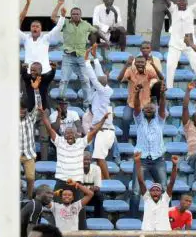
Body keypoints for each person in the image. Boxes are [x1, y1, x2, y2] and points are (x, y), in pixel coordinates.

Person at [39, 106, 109, 190]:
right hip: (61, 180)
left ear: (75, 135)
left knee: (81, 199)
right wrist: (43, 116)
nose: (69, 135)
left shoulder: (81, 142)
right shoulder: (59, 141)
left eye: (71, 133)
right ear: (64, 135)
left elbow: (94, 131)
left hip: (77, 181)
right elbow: (49, 129)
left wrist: (103, 119)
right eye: (67, 133)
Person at [130, 78, 169, 218]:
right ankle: (133, 219)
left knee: (164, 189)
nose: (148, 109)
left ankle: (164, 217)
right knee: (135, 191)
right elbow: (136, 106)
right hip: (141, 160)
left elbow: (162, 107)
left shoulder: (160, 120)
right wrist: (136, 93)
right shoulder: (139, 120)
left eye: (151, 108)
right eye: (146, 107)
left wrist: (162, 94)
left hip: (158, 160)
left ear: (155, 109)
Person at [84, 48, 115, 180]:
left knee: (99, 158)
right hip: (99, 130)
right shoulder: (100, 91)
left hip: (105, 130)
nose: (103, 76)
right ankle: (102, 180)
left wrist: (87, 61)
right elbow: (99, 76)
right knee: (97, 158)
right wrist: (95, 59)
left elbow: (94, 78)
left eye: (105, 77)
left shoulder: (105, 91)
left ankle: (108, 182)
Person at [116, 54, 161, 142]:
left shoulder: (149, 71)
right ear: (135, 63)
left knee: (147, 122)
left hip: (145, 104)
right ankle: (124, 141)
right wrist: (126, 64)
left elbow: (160, 77)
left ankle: (147, 141)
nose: (140, 64)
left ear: (145, 63)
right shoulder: (130, 71)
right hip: (131, 103)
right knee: (125, 119)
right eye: (138, 62)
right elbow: (119, 79)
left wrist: (153, 65)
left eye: (142, 62)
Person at [135, 152, 180, 237]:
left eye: (157, 190)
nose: (155, 192)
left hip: (163, 236)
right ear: (149, 193)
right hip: (147, 235)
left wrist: (174, 165)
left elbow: (171, 182)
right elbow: (140, 181)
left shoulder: (165, 199)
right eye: (153, 190)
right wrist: (137, 162)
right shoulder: (147, 198)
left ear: (161, 192)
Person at [58, 7, 95, 108]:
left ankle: (87, 105)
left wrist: (106, 40)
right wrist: (59, 7)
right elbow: (53, 18)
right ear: (71, 15)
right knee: (64, 80)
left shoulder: (86, 24)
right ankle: (61, 104)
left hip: (81, 57)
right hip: (68, 57)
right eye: (73, 14)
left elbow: (95, 31)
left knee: (85, 80)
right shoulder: (65, 23)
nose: (75, 15)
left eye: (77, 14)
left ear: (80, 15)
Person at [19, 0, 65, 75]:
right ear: (30, 28)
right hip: (29, 73)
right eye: (33, 26)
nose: (35, 28)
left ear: (41, 29)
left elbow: (58, 27)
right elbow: (18, 21)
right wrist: (27, 4)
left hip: (44, 72)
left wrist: (62, 16)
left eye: (37, 26)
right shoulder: (26, 38)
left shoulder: (46, 38)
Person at [19, 104, 38, 199]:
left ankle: (29, 197)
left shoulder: (31, 118)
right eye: (20, 109)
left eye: (24, 108)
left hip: (29, 154)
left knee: (30, 178)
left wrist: (37, 93)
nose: (22, 111)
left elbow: (38, 104)